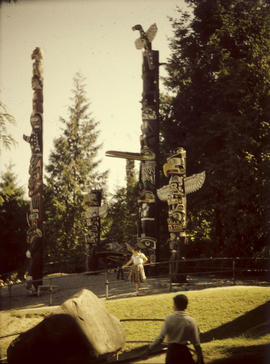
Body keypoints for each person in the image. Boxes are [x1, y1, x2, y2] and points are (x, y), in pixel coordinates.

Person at [146, 294, 204, 364]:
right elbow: (196, 343)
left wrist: (149, 350)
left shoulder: (169, 318)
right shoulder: (191, 321)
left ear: (175, 305)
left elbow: (160, 338)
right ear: (186, 306)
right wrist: (200, 358)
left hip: (171, 353)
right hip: (184, 353)